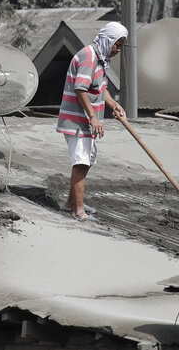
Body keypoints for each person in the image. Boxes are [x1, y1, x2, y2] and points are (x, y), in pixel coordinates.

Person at [57, 21, 128, 220]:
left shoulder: (100, 58)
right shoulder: (89, 57)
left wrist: (113, 104)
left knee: (86, 161)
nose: (118, 49)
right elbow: (80, 89)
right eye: (117, 44)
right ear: (107, 40)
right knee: (81, 162)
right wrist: (93, 117)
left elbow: (98, 89)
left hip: (86, 121)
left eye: (121, 46)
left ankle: (71, 203)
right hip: (78, 120)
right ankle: (78, 211)